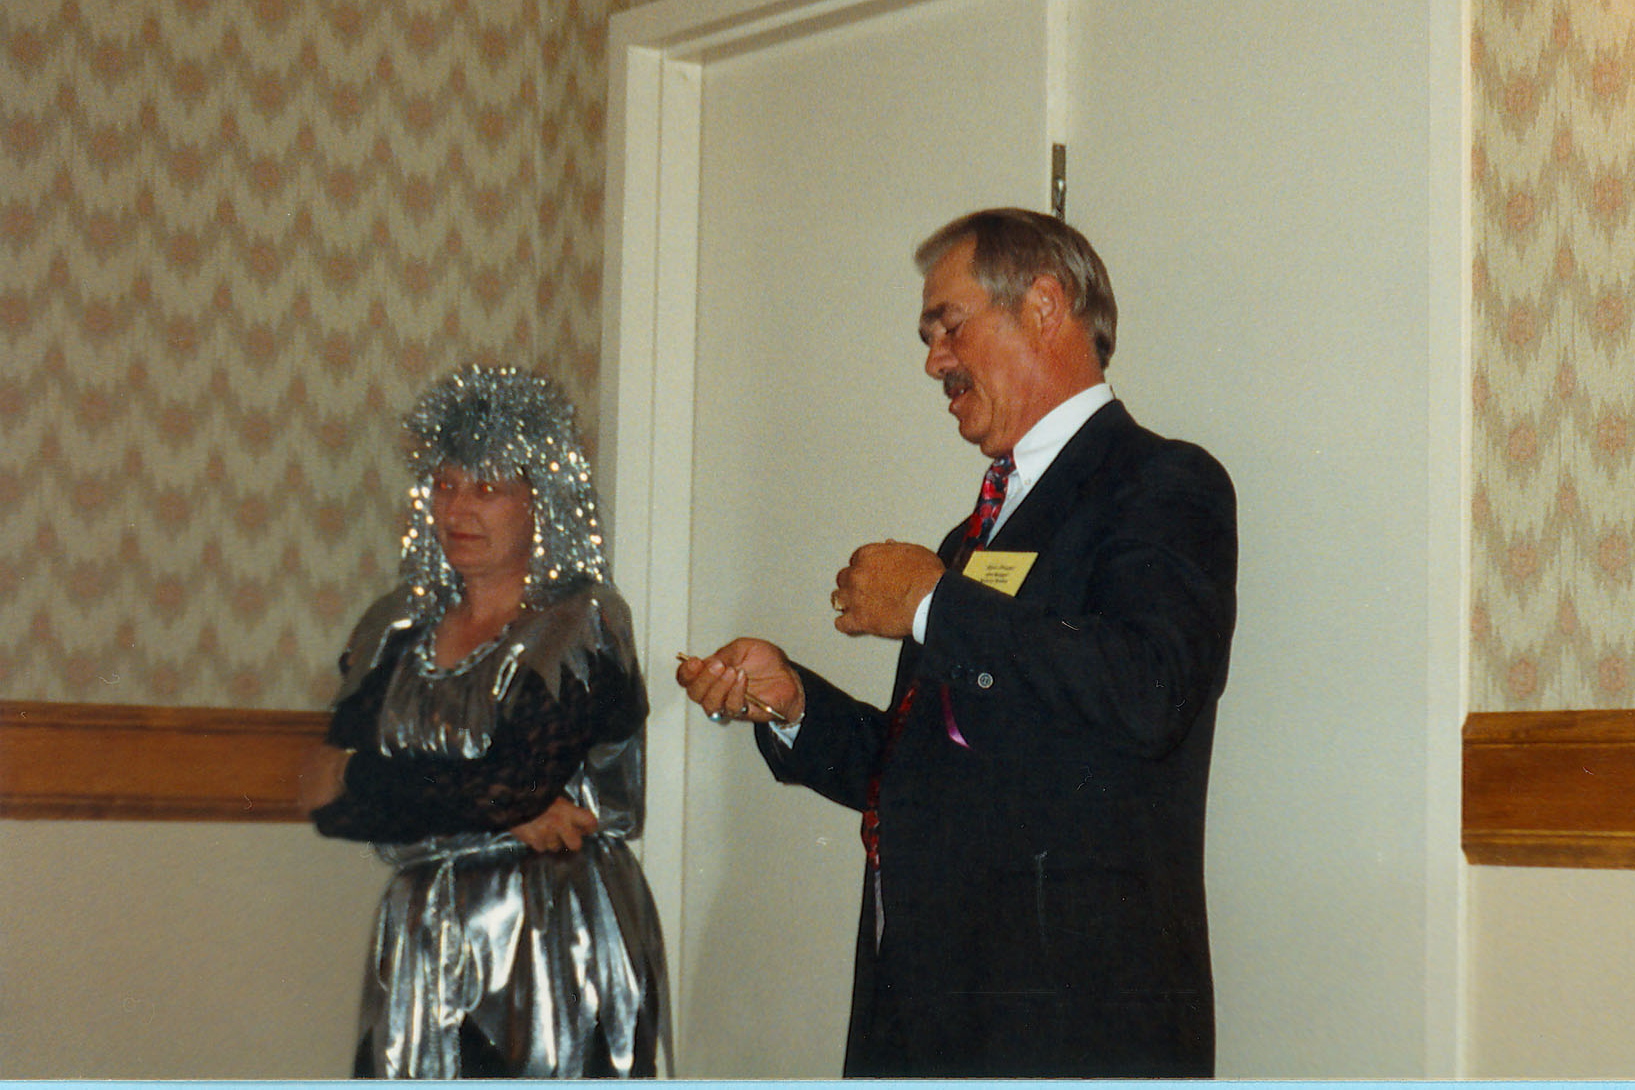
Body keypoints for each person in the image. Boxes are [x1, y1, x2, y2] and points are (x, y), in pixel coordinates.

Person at [676, 208, 1237, 1077]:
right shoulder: (972, 536)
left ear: (1044, 306)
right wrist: (794, 705)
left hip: (1073, 1037)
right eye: (929, 337)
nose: (934, 360)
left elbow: (1148, 692)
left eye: (950, 325)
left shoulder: (1163, 483)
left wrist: (935, 602)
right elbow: (937, 765)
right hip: (928, 1023)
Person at [299, 364, 669, 1079]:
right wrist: (500, 811)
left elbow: (514, 782)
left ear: (543, 502)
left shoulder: (581, 624)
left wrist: (372, 778)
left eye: (488, 488)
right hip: (421, 940)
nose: (458, 509)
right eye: (445, 485)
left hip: (552, 943)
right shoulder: (395, 625)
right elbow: (324, 798)